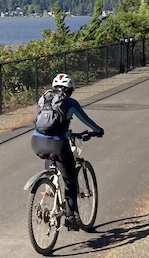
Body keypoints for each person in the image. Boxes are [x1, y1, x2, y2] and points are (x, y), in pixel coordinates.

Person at [31, 73, 104, 230]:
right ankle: (70, 217)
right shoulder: (70, 102)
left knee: (51, 156)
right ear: (70, 89)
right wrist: (98, 130)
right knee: (70, 179)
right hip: (58, 143)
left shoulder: (44, 99)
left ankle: (49, 185)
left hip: (36, 141)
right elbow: (86, 120)